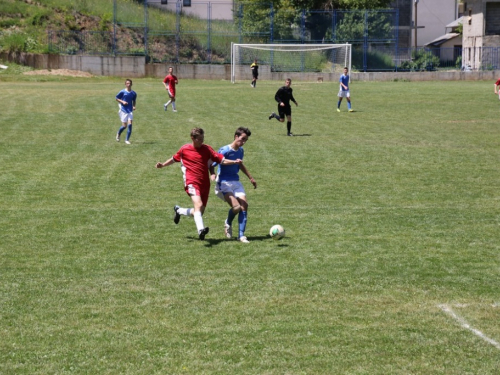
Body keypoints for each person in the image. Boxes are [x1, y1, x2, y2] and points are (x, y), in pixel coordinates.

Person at [155, 128, 242, 241]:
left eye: (203, 139)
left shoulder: (207, 149)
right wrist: (162, 165)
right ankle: (201, 230)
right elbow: (173, 159)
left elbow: (221, 160)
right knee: (199, 205)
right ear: (193, 138)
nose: (202, 141)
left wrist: (234, 162)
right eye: (199, 139)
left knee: (198, 211)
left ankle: (179, 211)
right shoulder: (185, 149)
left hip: (205, 184)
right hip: (191, 181)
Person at [213, 127, 257, 243]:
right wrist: (212, 174)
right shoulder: (224, 150)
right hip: (223, 182)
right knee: (236, 207)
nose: (243, 143)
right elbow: (212, 163)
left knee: (244, 205)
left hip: (235, 181)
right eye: (242, 139)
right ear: (236, 136)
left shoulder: (241, 151)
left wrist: (250, 178)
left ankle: (241, 236)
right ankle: (228, 222)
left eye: (245, 140)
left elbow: (240, 165)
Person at [115, 78, 137, 145]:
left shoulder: (133, 93)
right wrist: (123, 101)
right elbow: (116, 98)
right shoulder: (122, 92)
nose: (128, 85)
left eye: (129, 83)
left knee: (130, 124)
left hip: (130, 110)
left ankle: (127, 140)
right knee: (124, 126)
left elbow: (134, 101)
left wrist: (133, 106)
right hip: (123, 110)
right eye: (127, 83)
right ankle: (118, 133)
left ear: (131, 84)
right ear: (125, 84)